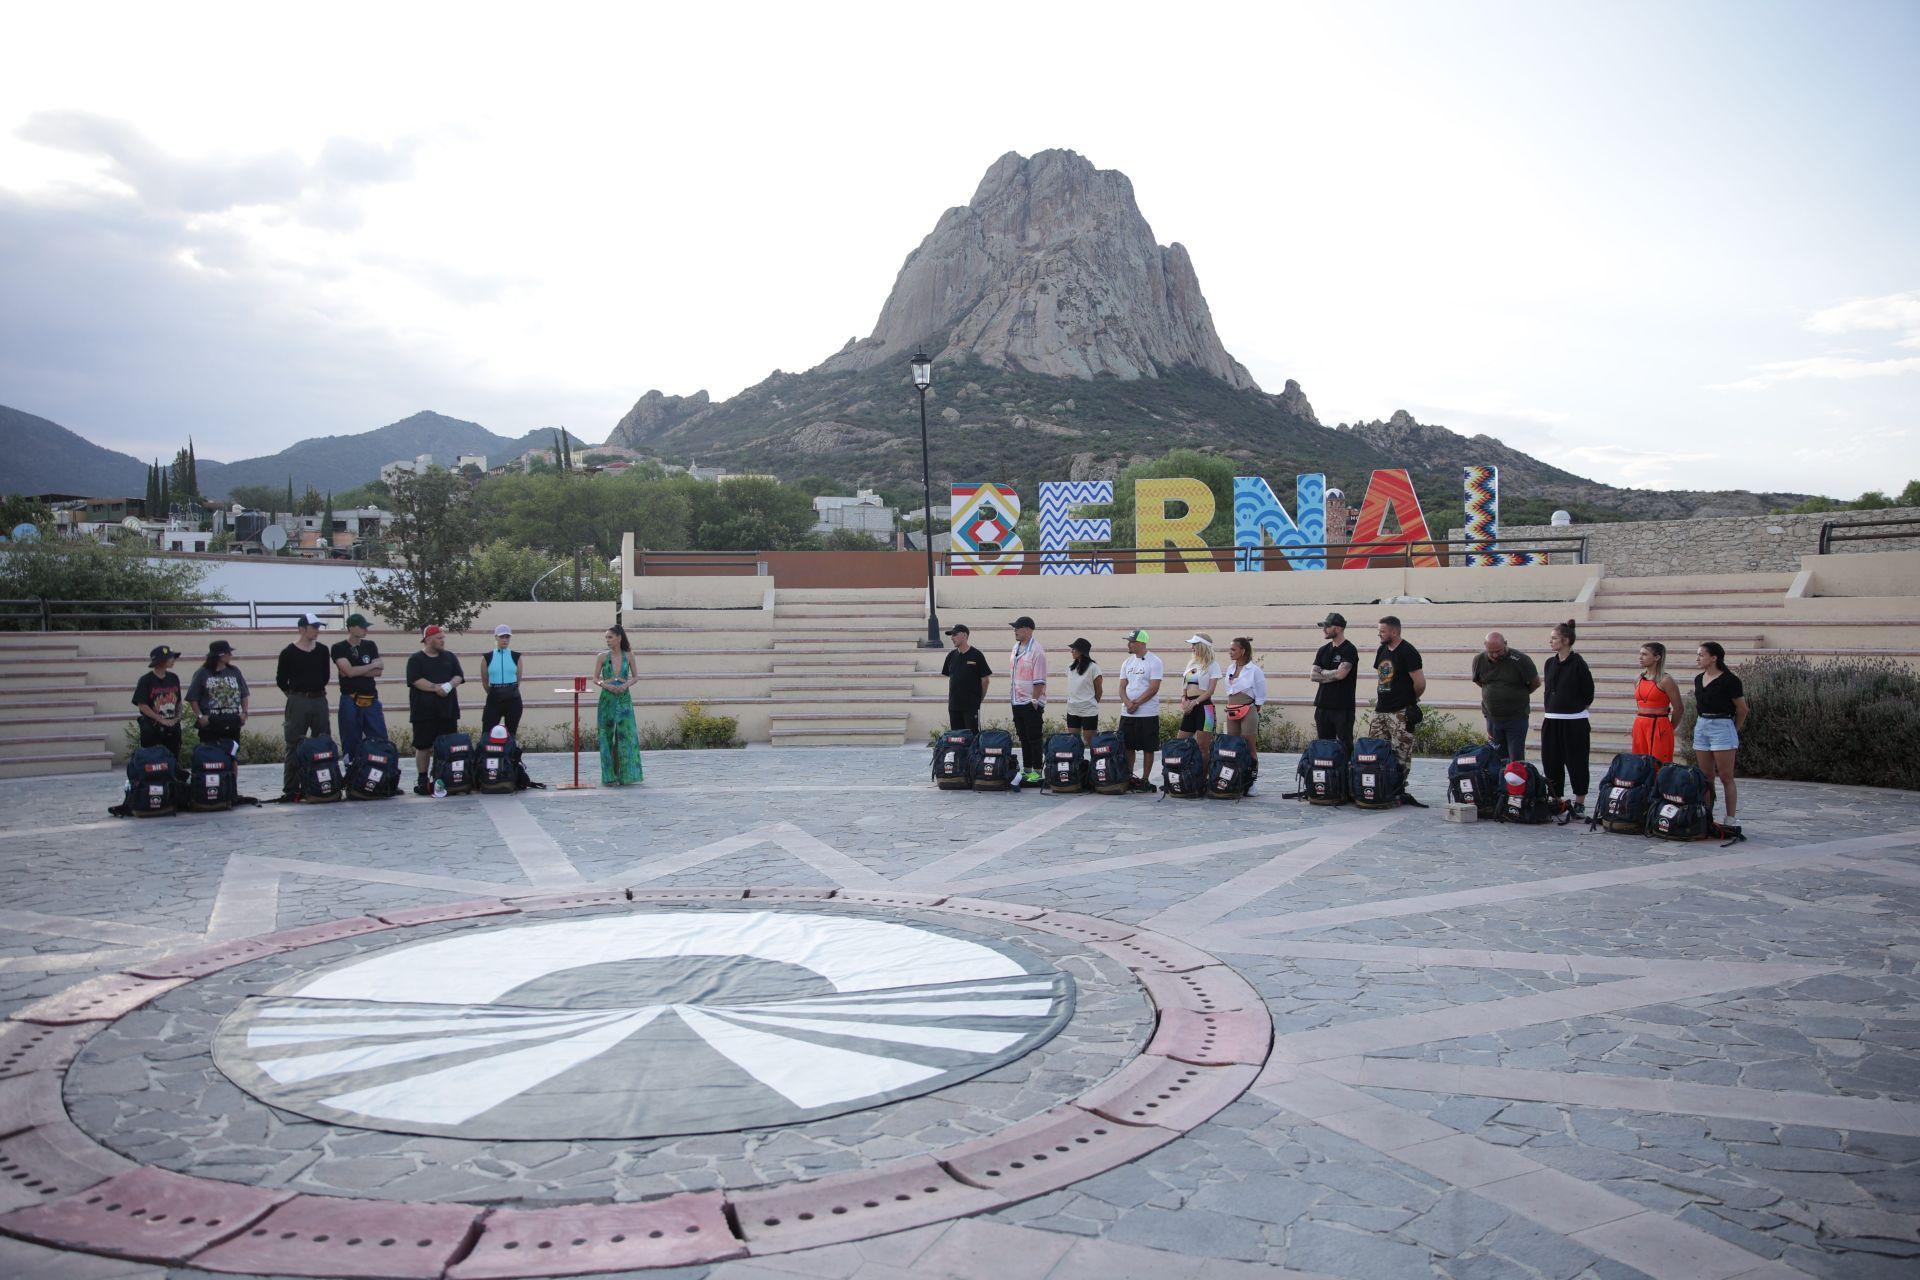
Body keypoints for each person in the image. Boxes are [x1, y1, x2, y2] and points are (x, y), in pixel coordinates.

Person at [1693, 641, 1749, 840]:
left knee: (1726, 776)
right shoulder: (1698, 679)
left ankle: (1730, 818)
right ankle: (1707, 816)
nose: (1698, 659)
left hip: (1722, 724)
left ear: (1714, 657)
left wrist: (1733, 728)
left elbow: (1742, 709)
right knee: (1706, 776)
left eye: (1701, 655)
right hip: (1702, 724)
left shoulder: (1730, 680)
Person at [1540, 619, 1595, 818]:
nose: (1551, 641)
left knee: (1577, 761)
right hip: (1551, 720)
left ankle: (1579, 801)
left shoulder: (1578, 663)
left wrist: (1575, 708)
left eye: (1554, 638)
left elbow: (1588, 693)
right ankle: (1556, 799)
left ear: (1566, 640)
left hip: (1574, 722)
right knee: (1551, 761)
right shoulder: (1549, 663)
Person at [275, 612, 333, 801]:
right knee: (294, 744)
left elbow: (325, 676)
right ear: (302, 629)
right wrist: (295, 696)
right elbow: (281, 680)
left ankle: (322, 784)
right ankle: (291, 789)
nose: (317, 630)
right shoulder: (288, 652)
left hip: (319, 698)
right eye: (313, 627)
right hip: (298, 699)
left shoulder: (322, 650)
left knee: (323, 741)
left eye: (318, 627)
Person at [1370, 616, 1427, 806]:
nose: (1379, 634)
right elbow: (1382, 677)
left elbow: (1420, 683)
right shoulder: (1382, 650)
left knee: (1401, 754)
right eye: (1379, 631)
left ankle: (1397, 791)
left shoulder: (1408, 651)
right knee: (1376, 750)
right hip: (1381, 709)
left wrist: (1409, 700)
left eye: (1382, 631)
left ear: (1394, 632)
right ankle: (1378, 786)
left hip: (1400, 711)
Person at [406, 625, 465, 796]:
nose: (442, 641)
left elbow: (459, 676)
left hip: (447, 711)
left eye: (443, 637)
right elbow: (415, 680)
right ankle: (422, 779)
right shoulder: (416, 659)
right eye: (439, 638)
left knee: (447, 746)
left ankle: (445, 776)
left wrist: (449, 685)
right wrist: (435, 687)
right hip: (423, 712)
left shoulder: (450, 657)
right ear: (428, 639)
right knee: (423, 746)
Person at [1471, 631, 1541, 763]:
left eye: (1499, 651)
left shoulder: (1521, 660)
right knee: (1497, 757)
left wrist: (1516, 695)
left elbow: (1535, 683)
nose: (1495, 655)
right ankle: (1500, 777)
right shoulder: (1479, 660)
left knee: (1516, 757)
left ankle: (1515, 776)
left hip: (1516, 718)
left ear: (1505, 644)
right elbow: (1478, 681)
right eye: (1491, 652)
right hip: (1492, 718)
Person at [331, 613, 386, 762]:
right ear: (351, 628)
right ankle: (352, 770)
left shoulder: (370, 645)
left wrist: (355, 670)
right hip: (350, 699)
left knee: (379, 739)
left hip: (370, 699)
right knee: (350, 739)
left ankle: (379, 770)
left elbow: (378, 671)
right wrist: (371, 666)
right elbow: (349, 672)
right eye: (362, 627)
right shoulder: (339, 648)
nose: (365, 630)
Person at [594, 624, 644, 786]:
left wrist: (625, 685)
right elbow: (595, 678)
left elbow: (636, 677)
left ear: (619, 638)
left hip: (624, 698)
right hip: (607, 698)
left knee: (626, 735)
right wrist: (605, 685)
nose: (607, 640)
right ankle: (609, 776)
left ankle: (627, 775)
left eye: (610, 637)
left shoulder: (629, 655)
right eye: (606, 638)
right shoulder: (602, 657)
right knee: (606, 735)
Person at [1117, 628, 1164, 792]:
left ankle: (1145, 779)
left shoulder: (1155, 661)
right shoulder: (1127, 662)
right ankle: (1129, 777)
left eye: (1132, 642)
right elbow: (1122, 687)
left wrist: (1136, 703)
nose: (1129, 645)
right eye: (1129, 642)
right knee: (1128, 746)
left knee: (1148, 747)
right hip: (1127, 712)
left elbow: (1154, 688)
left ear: (1141, 643)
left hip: (1147, 712)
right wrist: (1127, 703)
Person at [1308, 613, 1359, 750]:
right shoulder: (1323, 650)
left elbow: (1341, 674)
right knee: (1324, 745)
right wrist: (1333, 673)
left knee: (1345, 745)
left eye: (1327, 627)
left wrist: (1323, 672)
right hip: (1322, 705)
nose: (1323, 630)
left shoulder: (1349, 649)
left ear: (1338, 628)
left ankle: (1346, 765)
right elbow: (1313, 676)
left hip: (1343, 707)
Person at [1007, 615, 1048, 784]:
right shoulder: (1016, 647)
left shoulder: (1037, 651)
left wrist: (1034, 701)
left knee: (1034, 737)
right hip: (1017, 700)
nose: (1015, 631)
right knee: (1023, 737)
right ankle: (1027, 769)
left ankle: (1037, 772)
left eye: (1017, 628)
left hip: (1031, 702)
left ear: (1028, 630)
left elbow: (1039, 681)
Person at [1223, 636, 1266, 789]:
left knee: (1250, 747)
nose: (1230, 652)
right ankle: (1235, 779)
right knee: (1232, 747)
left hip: (1248, 709)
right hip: (1232, 711)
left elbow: (1261, 694)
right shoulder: (1230, 669)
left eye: (1233, 649)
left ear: (1243, 651)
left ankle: (1251, 783)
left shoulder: (1254, 670)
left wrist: (1253, 707)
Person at [188, 640, 250, 746]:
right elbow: (193, 697)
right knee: (211, 752)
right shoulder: (203, 673)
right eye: (228, 653)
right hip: (211, 721)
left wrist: (244, 713)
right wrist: (200, 716)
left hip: (232, 720)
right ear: (220, 655)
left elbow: (244, 694)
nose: (230, 655)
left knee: (232, 751)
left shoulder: (234, 671)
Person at [132, 645, 183, 765]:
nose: (173, 660)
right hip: (152, 728)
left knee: (173, 760)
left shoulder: (174, 678)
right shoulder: (146, 680)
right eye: (170, 658)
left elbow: (178, 702)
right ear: (161, 661)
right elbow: (142, 705)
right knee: (152, 761)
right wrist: (160, 720)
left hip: (172, 728)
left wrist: (177, 718)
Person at [1632, 642, 1682, 763]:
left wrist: (1669, 728)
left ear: (1657, 657)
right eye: (1640, 654)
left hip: (1659, 724)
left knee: (1658, 763)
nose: (1640, 657)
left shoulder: (1666, 680)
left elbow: (1679, 708)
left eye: (1644, 654)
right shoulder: (1638, 678)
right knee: (1639, 763)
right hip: (1640, 724)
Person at [1177, 634, 1222, 764]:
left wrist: (1195, 702)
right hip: (1190, 705)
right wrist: (1184, 699)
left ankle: (1204, 774)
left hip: (1205, 708)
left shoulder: (1213, 665)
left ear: (1202, 646)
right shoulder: (1191, 663)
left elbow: (1210, 691)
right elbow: (1185, 685)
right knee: (1180, 742)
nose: (1192, 648)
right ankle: (1186, 772)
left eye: (1194, 645)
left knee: (1203, 746)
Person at [940, 624, 991, 732]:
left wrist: (979, 699)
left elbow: (985, 680)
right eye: (951, 635)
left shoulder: (976, 655)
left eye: (955, 634)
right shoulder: (951, 656)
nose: (952, 638)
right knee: (957, 737)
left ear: (964, 635)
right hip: (954, 706)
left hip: (970, 706)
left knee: (972, 736)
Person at [481, 624, 525, 739]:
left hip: (513, 698)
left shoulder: (516, 656)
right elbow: (485, 681)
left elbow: (518, 679)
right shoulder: (487, 657)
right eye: (502, 637)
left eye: (507, 637)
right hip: (494, 698)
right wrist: (494, 692)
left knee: (511, 734)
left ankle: (510, 750)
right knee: (487, 732)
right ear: (496, 637)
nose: (505, 640)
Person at [1064, 638, 1103, 745]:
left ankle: (1092, 757)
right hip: (1072, 709)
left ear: (1081, 651)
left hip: (1089, 709)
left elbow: (1099, 691)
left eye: (1074, 649)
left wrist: (1091, 702)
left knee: (1090, 742)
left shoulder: (1094, 668)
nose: (1071, 651)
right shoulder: (1070, 667)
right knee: (1073, 742)